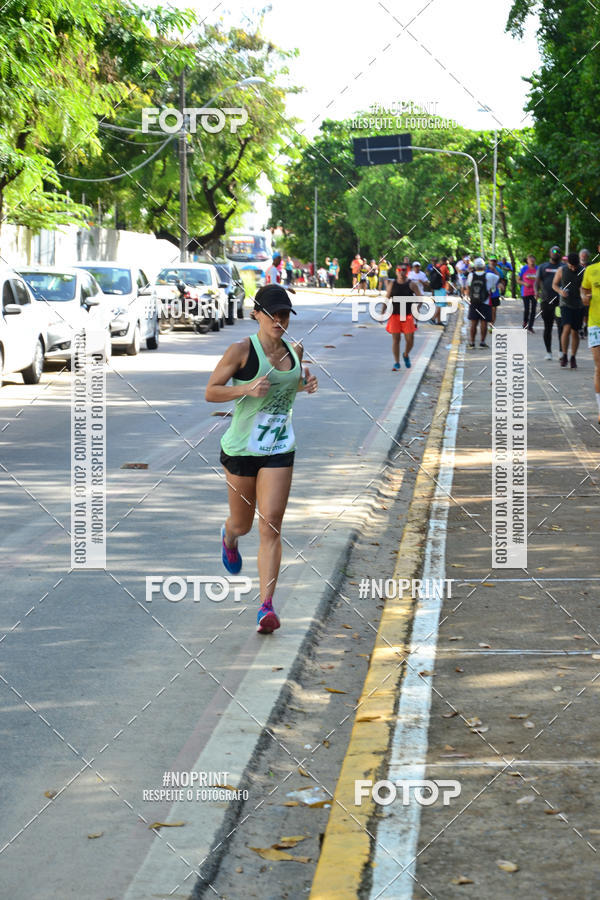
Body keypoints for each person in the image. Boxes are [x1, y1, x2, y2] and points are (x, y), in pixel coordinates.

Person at [205, 284, 318, 634]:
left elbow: (289, 386)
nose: (279, 320)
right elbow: (211, 392)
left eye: (284, 314)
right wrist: (246, 388)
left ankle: (266, 606)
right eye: (272, 314)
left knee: (271, 523)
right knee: (244, 525)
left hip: (279, 449)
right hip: (241, 450)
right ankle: (229, 536)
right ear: (256, 314)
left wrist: (305, 383)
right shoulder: (241, 350)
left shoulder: (294, 349)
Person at [383, 263, 421, 370]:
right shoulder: (392, 284)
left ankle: (406, 354)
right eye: (399, 269)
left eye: (403, 269)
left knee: (410, 340)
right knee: (396, 339)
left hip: (408, 315)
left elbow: (420, 298)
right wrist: (382, 312)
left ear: (407, 271)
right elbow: (386, 299)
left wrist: (417, 309)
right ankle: (396, 362)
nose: (401, 271)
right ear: (396, 271)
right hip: (394, 315)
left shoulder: (411, 284)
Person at [553, 251, 584, 368]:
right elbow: (554, 284)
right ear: (567, 263)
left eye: (575, 266)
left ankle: (573, 357)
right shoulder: (562, 270)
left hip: (579, 305)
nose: (572, 268)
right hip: (565, 304)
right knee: (566, 328)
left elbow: (586, 286)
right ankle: (564, 355)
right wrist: (560, 291)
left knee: (575, 331)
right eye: (570, 265)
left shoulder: (583, 271)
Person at [581, 243, 600, 422]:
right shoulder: (591, 270)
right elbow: (584, 289)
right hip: (596, 324)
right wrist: (584, 297)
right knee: (599, 367)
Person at [535, 246, 563, 359]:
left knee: (561, 326)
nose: (555, 253)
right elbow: (536, 282)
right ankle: (548, 352)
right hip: (546, 302)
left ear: (560, 254)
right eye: (553, 251)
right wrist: (536, 292)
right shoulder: (543, 267)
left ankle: (562, 351)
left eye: (558, 251)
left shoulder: (563, 267)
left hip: (560, 302)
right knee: (548, 327)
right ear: (549, 253)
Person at [466, 257, 499, 348]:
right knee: (484, 322)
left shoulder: (471, 275)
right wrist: (493, 269)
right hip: (485, 302)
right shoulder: (489, 276)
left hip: (474, 302)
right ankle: (482, 342)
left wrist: (469, 297)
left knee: (473, 323)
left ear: (475, 267)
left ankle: (472, 343)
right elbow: (498, 278)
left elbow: (468, 287)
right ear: (484, 267)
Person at [518, 254, 538, 331]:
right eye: (530, 260)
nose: (532, 262)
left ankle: (531, 326)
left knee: (533, 309)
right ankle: (525, 323)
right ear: (527, 261)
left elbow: (540, 280)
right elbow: (518, 280)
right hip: (525, 292)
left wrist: (539, 290)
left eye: (533, 260)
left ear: (535, 260)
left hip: (534, 292)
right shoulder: (524, 269)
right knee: (527, 309)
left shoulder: (538, 269)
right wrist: (524, 283)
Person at [579, 248, 590, 338]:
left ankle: (584, 327)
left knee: (586, 312)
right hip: (576, 292)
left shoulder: (590, 266)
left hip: (587, 292)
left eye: (585, 256)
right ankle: (580, 328)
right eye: (582, 256)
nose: (583, 257)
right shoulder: (575, 265)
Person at [487, 258, 502, 325]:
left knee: (493, 310)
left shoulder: (498, 270)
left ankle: (492, 324)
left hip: (495, 293)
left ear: (496, 262)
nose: (492, 262)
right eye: (491, 261)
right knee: (487, 310)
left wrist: (494, 269)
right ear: (489, 261)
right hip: (486, 293)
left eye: (494, 261)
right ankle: (487, 322)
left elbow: (500, 278)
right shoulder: (485, 268)